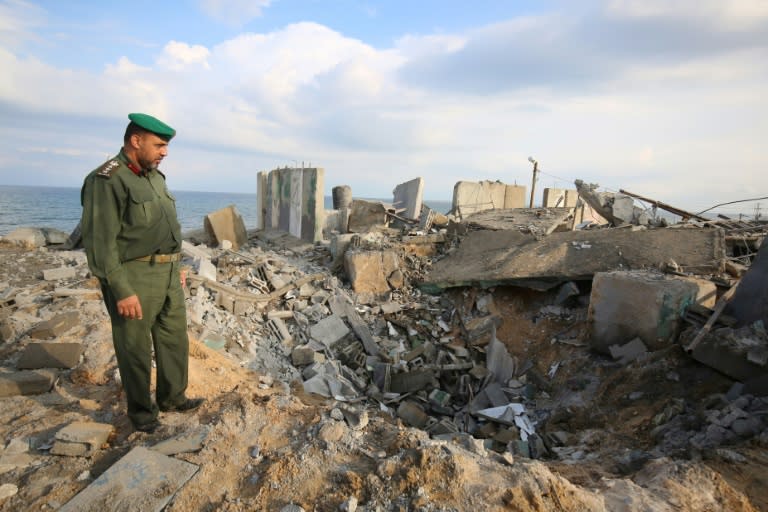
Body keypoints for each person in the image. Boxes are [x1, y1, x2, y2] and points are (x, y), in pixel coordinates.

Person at [80, 113, 203, 433]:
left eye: (166, 146)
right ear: (136, 141)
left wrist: (176, 267)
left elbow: (163, 228)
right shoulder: (107, 179)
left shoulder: (154, 178)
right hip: (133, 275)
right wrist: (121, 289)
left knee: (174, 339)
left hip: (168, 274)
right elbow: (100, 242)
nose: (165, 152)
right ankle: (142, 414)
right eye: (159, 145)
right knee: (134, 348)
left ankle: (172, 397)